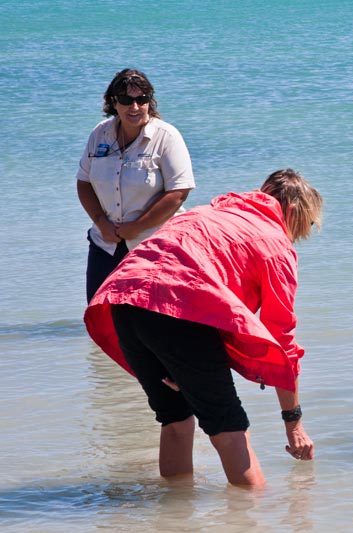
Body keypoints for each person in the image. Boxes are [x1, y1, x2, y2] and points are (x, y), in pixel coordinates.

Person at [84, 169, 323, 488]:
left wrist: (177, 360)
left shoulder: (208, 215)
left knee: (175, 421)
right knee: (230, 430)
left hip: (124, 299)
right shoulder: (274, 241)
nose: (297, 235)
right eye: (304, 225)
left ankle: (174, 514)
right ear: (292, 212)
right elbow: (281, 340)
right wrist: (293, 424)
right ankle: (251, 518)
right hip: (173, 309)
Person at [77, 68, 195, 303]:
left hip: (154, 245)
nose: (135, 107)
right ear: (113, 102)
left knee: (151, 320)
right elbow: (84, 182)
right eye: (126, 100)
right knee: (101, 316)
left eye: (142, 100)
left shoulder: (166, 136)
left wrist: (137, 227)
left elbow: (179, 193)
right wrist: (102, 222)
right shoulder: (99, 134)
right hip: (106, 243)